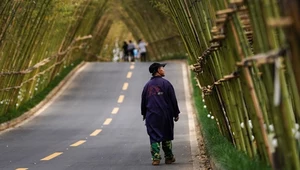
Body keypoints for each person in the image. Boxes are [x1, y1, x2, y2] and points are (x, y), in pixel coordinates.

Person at [141, 62, 180, 166]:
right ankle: (169, 157)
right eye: (162, 68)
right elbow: (173, 100)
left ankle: (156, 158)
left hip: (152, 115)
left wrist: (144, 115)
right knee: (166, 134)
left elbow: (143, 102)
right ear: (157, 71)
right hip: (165, 114)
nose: (163, 69)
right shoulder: (166, 84)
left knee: (154, 136)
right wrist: (176, 113)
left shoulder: (147, 86)